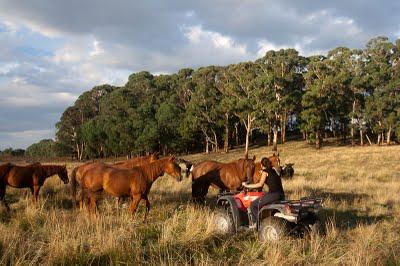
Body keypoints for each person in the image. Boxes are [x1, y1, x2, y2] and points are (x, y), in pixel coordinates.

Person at [242, 157, 285, 225]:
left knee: (253, 205)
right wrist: (262, 172)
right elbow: (270, 176)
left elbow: (260, 184)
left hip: (274, 195)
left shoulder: (265, 172)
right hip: (281, 194)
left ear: (261, 165)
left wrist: (247, 186)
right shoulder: (273, 170)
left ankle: (258, 224)